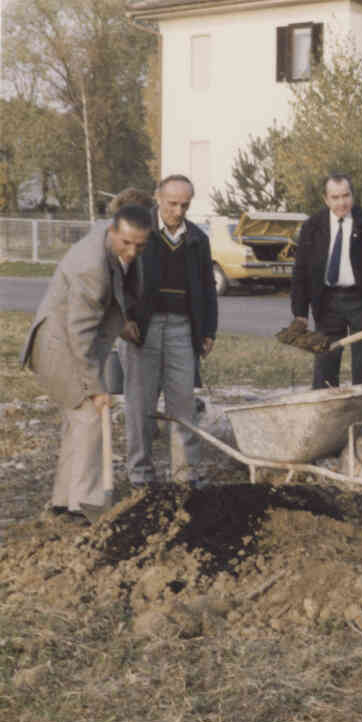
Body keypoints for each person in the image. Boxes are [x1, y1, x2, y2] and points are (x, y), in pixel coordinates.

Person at [21, 204, 152, 521]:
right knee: (92, 416)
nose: (132, 251)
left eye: (140, 245)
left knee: (77, 421)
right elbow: (79, 333)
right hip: (60, 344)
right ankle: (86, 506)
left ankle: (64, 501)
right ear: (112, 232)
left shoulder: (113, 239)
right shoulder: (90, 267)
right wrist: (96, 388)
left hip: (72, 338)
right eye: (126, 243)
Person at [123, 175, 218, 486]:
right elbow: (118, 279)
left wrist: (208, 331)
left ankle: (185, 475)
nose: (178, 211)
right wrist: (125, 318)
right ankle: (140, 475)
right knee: (141, 405)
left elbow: (207, 288)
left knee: (183, 405)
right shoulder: (137, 232)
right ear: (157, 198)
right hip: (143, 329)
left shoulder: (197, 240)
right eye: (172, 203)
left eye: (185, 205)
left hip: (182, 329)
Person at [290, 173, 362, 388]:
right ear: (326, 199)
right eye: (335, 197)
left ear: (353, 195)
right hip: (326, 302)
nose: (342, 202)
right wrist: (300, 312)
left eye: (346, 196)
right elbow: (300, 271)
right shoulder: (312, 226)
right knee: (324, 366)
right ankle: (327, 417)